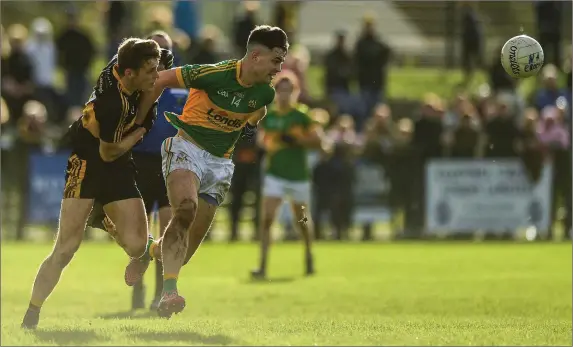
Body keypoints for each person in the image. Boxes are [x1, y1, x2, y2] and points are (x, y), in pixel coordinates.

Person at [135, 25, 289, 318]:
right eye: (275, 60)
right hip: (187, 148)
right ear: (255, 56)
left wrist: (251, 125)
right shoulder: (213, 73)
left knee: (186, 253)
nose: (279, 68)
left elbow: (258, 111)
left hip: (220, 164)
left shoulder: (264, 94)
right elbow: (161, 79)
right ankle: (169, 294)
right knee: (185, 209)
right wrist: (140, 121)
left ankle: (150, 251)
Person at [21, 37, 174, 329]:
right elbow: (109, 150)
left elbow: (151, 54)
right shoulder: (112, 103)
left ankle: (110, 224)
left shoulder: (126, 65)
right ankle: (31, 316)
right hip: (89, 162)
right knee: (66, 248)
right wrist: (140, 132)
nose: (157, 75)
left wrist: (160, 52)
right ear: (130, 74)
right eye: (152, 70)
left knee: (137, 244)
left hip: (117, 167)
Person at [89, 31, 185, 311]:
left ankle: (160, 294)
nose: (160, 58)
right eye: (155, 53)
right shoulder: (137, 88)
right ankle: (138, 291)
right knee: (139, 236)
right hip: (138, 164)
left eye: (165, 51)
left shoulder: (182, 89)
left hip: (168, 164)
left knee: (167, 231)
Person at [250, 71, 322, 279]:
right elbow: (262, 141)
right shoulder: (269, 116)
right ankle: (262, 265)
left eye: (288, 91)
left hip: (298, 176)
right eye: (280, 91)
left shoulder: (302, 116)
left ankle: (309, 254)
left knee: (302, 219)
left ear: (295, 92)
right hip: (276, 175)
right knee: (267, 218)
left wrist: (297, 141)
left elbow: (320, 142)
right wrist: (271, 143)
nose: (284, 95)